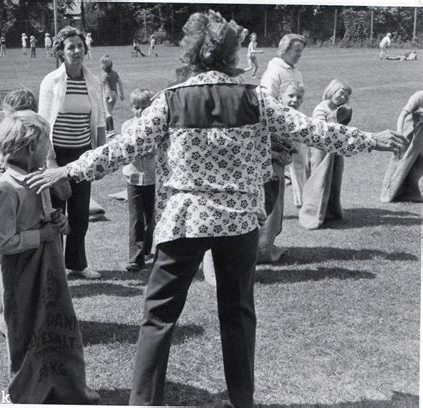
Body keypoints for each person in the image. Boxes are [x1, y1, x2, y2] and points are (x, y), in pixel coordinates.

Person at [25, 10, 406, 407]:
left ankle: (143, 403)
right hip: (238, 224)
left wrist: (69, 169)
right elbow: (311, 130)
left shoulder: (171, 99)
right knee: (238, 316)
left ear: (192, 53)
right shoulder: (255, 98)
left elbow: (122, 146)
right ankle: (242, 400)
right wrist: (371, 139)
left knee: (158, 318)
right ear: (229, 54)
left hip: (183, 221)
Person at [0, 110, 98, 404]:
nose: (49, 148)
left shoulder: (40, 179)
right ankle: (28, 391)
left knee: (56, 325)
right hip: (22, 276)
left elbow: (49, 215)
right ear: (31, 147)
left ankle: (64, 385)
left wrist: (59, 223)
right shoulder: (6, 189)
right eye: (46, 141)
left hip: (50, 268)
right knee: (26, 331)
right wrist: (41, 235)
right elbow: (2, 242)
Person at [38, 26, 105, 280]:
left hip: (83, 155)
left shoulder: (93, 80)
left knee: (79, 214)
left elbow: (98, 120)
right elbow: (43, 125)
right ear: (61, 52)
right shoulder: (51, 82)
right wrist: (51, 160)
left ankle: (77, 263)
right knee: (57, 213)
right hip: (57, 154)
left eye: (80, 46)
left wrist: (98, 158)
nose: (77, 51)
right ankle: (55, 268)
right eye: (71, 47)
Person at [258, 81, 304, 263]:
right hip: (265, 169)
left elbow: (290, 146)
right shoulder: (272, 117)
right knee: (269, 207)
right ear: (280, 97)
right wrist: (276, 154)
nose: (294, 100)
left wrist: (287, 156)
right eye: (290, 96)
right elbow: (259, 145)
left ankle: (268, 244)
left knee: (277, 208)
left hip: (278, 168)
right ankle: (262, 248)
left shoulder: (294, 117)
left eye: (299, 97)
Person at [260, 33, 307, 207]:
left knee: (300, 162)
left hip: (297, 125)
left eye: (301, 51)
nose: (299, 55)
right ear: (283, 50)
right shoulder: (273, 72)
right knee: (281, 166)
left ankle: (302, 201)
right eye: (296, 50)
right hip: (280, 129)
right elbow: (266, 102)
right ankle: (274, 205)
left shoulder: (296, 72)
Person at [299, 79, 353, 230]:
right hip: (320, 149)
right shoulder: (321, 108)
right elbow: (319, 127)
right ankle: (314, 213)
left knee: (333, 179)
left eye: (346, 96)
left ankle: (330, 210)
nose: (343, 97)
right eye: (341, 93)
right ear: (331, 91)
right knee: (319, 179)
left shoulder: (337, 108)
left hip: (333, 149)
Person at [122, 88, 156, 272]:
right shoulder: (127, 126)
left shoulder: (156, 127)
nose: (140, 111)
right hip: (133, 176)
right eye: (136, 107)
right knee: (136, 217)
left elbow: (159, 147)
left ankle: (147, 248)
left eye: (144, 107)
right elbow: (126, 149)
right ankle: (135, 258)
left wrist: (153, 150)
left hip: (152, 177)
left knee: (150, 217)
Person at [381, 90, 423, 202]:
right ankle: (389, 193)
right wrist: (399, 133)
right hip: (408, 134)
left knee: (418, 163)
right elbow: (403, 115)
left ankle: (410, 193)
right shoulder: (419, 96)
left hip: (421, 138)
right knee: (400, 161)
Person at [100, 54, 124, 132]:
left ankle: (111, 130)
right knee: (109, 112)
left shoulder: (104, 75)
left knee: (107, 113)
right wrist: (121, 93)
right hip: (115, 94)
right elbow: (120, 83)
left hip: (108, 94)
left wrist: (109, 97)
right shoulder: (115, 73)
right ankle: (107, 129)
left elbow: (107, 87)